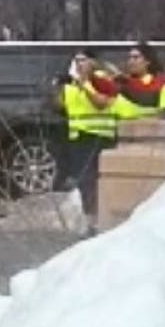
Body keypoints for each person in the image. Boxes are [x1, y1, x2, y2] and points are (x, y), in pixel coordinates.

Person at [56, 50, 119, 233]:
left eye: (83, 60)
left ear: (94, 62)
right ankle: (91, 220)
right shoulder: (73, 83)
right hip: (79, 137)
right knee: (84, 181)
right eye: (76, 60)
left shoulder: (101, 80)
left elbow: (100, 103)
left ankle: (101, 219)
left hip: (98, 135)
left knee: (97, 180)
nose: (79, 64)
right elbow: (59, 106)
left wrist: (85, 84)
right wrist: (60, 86)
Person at [118, 41, 165, 118]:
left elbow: (162, 115)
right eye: (129, 58)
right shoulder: (121, 84)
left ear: (148, 61)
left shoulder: (163, 85)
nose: (130, 61)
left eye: (136, 57)